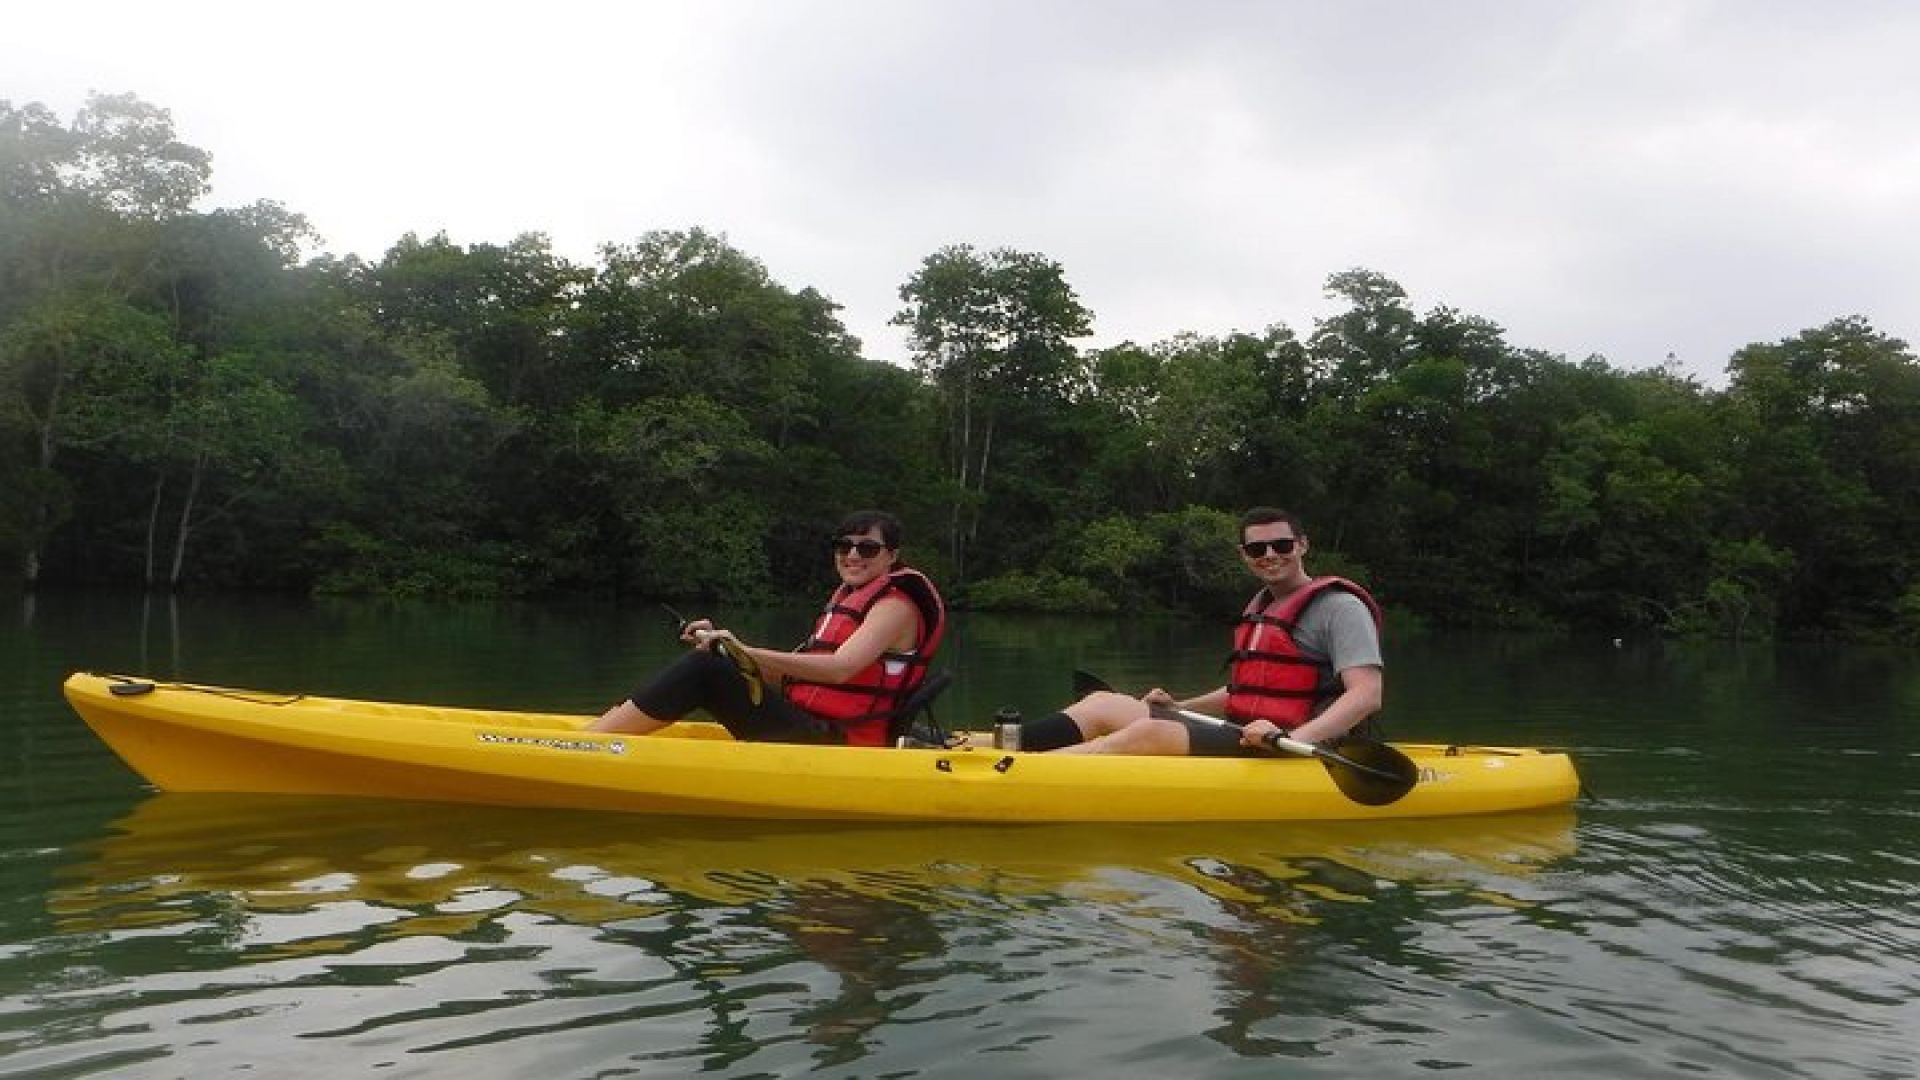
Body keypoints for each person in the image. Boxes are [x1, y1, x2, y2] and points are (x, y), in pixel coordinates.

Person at [1020, 507, 1383, 755]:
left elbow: (1365, 695)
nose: (1270, 554)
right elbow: (1249, 690)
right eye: (1258, 548)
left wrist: (1287, 738)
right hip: (1247, 735)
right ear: (1245, 554)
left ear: (1302, 545)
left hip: (1301, 744)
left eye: (1282, 545)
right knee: (1104, 703)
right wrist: (1180, 706)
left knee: (1151, 733)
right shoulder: (1261, 606)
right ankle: (1001, 745)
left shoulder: (1340, 607)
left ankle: (1024, 775)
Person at [590, 510, 946, 747]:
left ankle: (590, 745)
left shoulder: (895, 606)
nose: (852, 555)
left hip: (842, 742)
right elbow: (787, 678)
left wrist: (738, 651)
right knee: (713, 664)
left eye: (867, 548)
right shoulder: (848, 600)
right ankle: (602, 734)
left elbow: (841, 670)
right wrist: (727, 650)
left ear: (891, 556)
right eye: (844, 546)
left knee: (705, 670)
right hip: (813, 725)